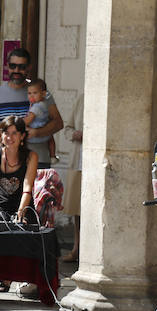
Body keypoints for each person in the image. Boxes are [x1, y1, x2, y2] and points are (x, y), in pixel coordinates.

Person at [0, 116, 39, 292]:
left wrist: (21, 212)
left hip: (22, 204)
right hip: (0, 205)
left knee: (19, 229)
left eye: (14, 133)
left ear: (22, 136)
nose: (10, 137)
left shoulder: (31, 156)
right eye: (6, 133)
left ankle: (8, 278)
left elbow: (27, 186)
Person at [0, 48, 62, 167]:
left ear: (28, 68)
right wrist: (15, 134)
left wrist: (37, 132)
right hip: (7, 161)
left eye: (22, 67)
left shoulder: (40, 92)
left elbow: (58, 123)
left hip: (39, 159)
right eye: (13, 66)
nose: (16, 70)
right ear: (7, 66)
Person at [61, 93, 84, 262]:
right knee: (77, 208)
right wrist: (75, 134)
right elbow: (67, 128)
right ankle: (77, 247)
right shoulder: (82, 98)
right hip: (79, 160)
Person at [24, 78, 56, 164]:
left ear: (43, 94)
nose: (31, 96)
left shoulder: (37, 107)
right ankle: (53, 156)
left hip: (35, 134)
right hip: (44, 132)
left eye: (35, 93)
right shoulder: (44, 103)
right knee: (51, 139)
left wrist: (18, 121)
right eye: (29, 93)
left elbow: (28, 120)